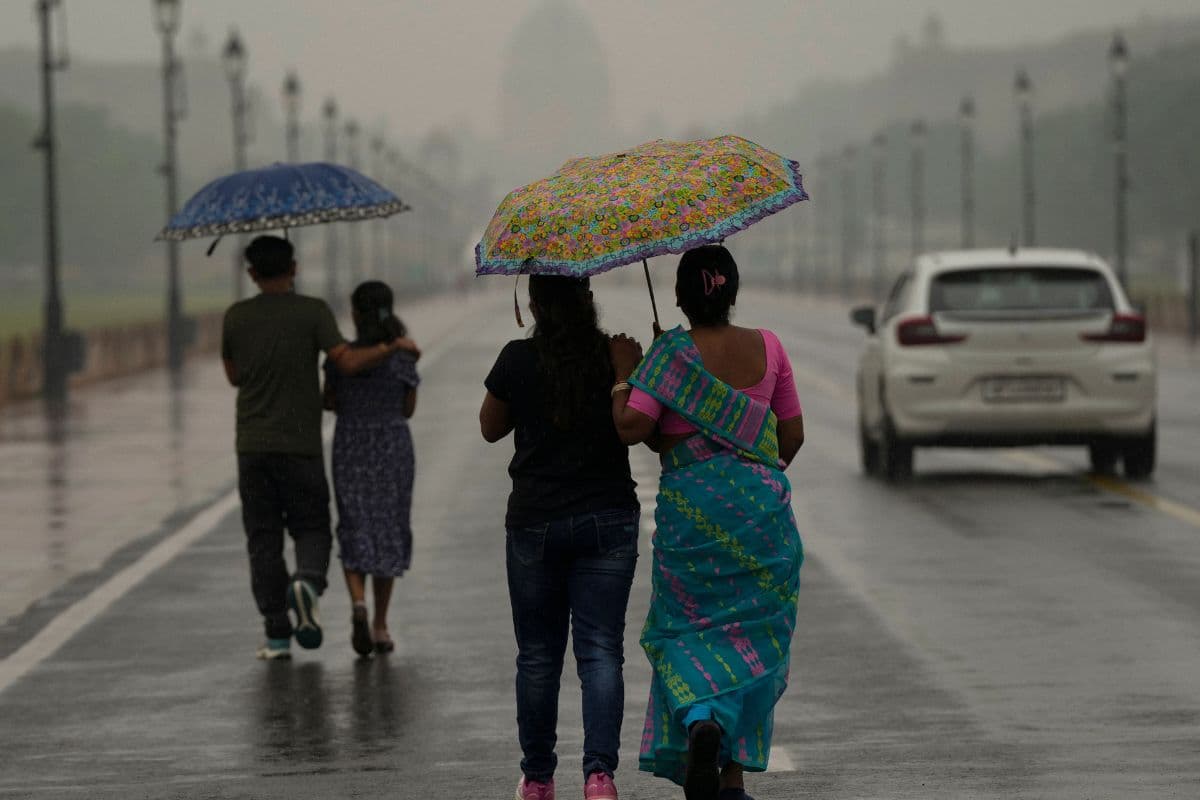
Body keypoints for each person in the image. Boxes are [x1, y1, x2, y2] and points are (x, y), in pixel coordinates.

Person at [609, 245, 805, 800]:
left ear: (679, 296)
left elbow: (631, 428)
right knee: (753, 638)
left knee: (687, 630)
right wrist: (748, 477)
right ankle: (733, 775)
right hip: (761, 518)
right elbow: (791, 436)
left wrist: (629, 372)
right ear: (732, 291)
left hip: (692, 517)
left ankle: (700, 720)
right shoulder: (769, 346)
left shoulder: (668, 356)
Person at [480, 275, 641, 800]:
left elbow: (489, 427)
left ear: (533, 305)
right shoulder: (613, 356)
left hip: (535, 522)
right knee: (601, 651)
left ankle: (538, 779)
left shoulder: (517, 358)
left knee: (537, 655)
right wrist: (630, 371)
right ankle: (599, 777)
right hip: (607, 519)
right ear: (588, 300)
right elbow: (643, 425)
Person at [221, 235, 419, 661]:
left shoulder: (235, 316)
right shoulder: (312, 311)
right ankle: (308, 581)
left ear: (251, 273)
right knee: (311, 526)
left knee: (263, 537)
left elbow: (234, 375)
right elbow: (347, 360)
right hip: (301, 445)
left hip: (252, 446)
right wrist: (391, 346)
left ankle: (277, 634)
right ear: (293, 268)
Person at [323, 280, 419, 657]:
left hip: (350, 446)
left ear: (355, 314)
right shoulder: (403, 356)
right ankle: (380, 625)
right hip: (393, 446)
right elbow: (408, 409)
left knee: (354, 524)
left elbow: (329, 402)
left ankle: (358, 602)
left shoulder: (340, 358)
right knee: (388, 528)